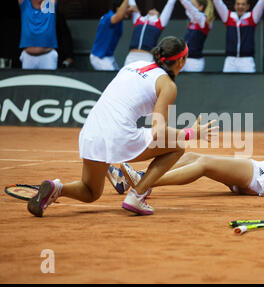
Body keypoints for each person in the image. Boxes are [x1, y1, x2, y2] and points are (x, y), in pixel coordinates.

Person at [27, 36, 217, 218]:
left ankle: (56, 188)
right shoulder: (167, 85)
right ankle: (138, 195)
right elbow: (158, 131)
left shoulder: (134, 65)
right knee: (178, 146)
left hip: (90, 134)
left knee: (90, 191)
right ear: (181, 61)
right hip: (118, 137)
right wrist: (192, 133)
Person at [111, 118, 264, 200]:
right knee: (195, 155)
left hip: (260, 180)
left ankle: (144, 181)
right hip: (258, 176)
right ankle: (129, 181)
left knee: (203, 164)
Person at [210, 0, 264, 73]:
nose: (240, 7)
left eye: (243, 4)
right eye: (238, 4)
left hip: (247, 60)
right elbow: (217, 1)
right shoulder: (228, 16)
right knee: (227, 85)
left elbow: (262, 2)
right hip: (230, 60)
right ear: (234, 6)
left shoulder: (252, 17)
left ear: (247, 6)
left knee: (248, 85)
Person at [124, 0, 181, 66]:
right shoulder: (139, 19)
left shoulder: (160, 22)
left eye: (156, 10)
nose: (153, 10)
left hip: (147, 57)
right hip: (131, 56)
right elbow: (131, 0)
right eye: (152, 9)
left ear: (159, 14)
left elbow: (170, 4)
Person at [11, 0, 60, 70]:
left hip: (48, 57)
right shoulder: (25, 6)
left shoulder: (50, 7)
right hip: (28, 57)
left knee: (48, 83)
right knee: (27, 83)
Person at [90, 0, 136, 71]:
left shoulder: (118, 18)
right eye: (127, 7)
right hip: (100, 57)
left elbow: (132, 9)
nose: (129, 10)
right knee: (110, 79)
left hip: (108, 56)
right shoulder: (108, 17)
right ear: (118, 8)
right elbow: (117, 17)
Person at [174, 0, 215, 72]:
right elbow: (189, 10)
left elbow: (190, 8)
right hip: (183, 59)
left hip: (195, 61)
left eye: (194, 5)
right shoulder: (193, 19)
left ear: (200, 7)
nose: (191, 7)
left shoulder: (203, 20)